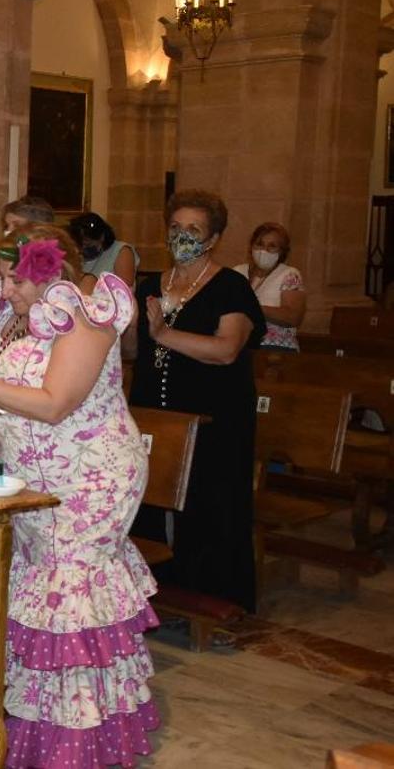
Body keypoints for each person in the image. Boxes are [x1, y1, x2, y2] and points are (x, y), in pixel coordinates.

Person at [0, 225, 158, 767]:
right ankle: (33, 733)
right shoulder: (18, 318)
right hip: (33, 483)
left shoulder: (87, 316)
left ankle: (79, 746)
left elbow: (56, 402)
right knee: (39, 603)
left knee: (69, 601)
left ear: (48, 271)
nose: (7, 290)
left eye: (15, 279)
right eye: (4, 278)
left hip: (92, 481)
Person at [128, 190, 264, 613]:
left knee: (211, 507)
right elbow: (133, 351)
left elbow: (226, 349)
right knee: (149, 502)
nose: (181, 236)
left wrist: (164, 334)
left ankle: (218, 598)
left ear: (213, 238)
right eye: (175, 227)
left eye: (193, 230)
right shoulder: (151, 286)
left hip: (216, 419)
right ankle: (160, 588)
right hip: (158, 413)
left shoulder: (231, 287)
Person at [234, 222, 305, 351]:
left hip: (275, 347)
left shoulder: (289, 274)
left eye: (272, 246)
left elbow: (293, 317)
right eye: (259, 244)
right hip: (238, 345)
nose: (264, 250)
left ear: (282, 251)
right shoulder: (237, 272)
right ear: (251, 246)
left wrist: (253, 308)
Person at [69, 211, 138, 291]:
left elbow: (124, 289)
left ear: (102, 237)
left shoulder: (121, 251)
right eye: (81, 245)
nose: (83, 248)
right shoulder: (77, 254)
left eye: (88, 245)